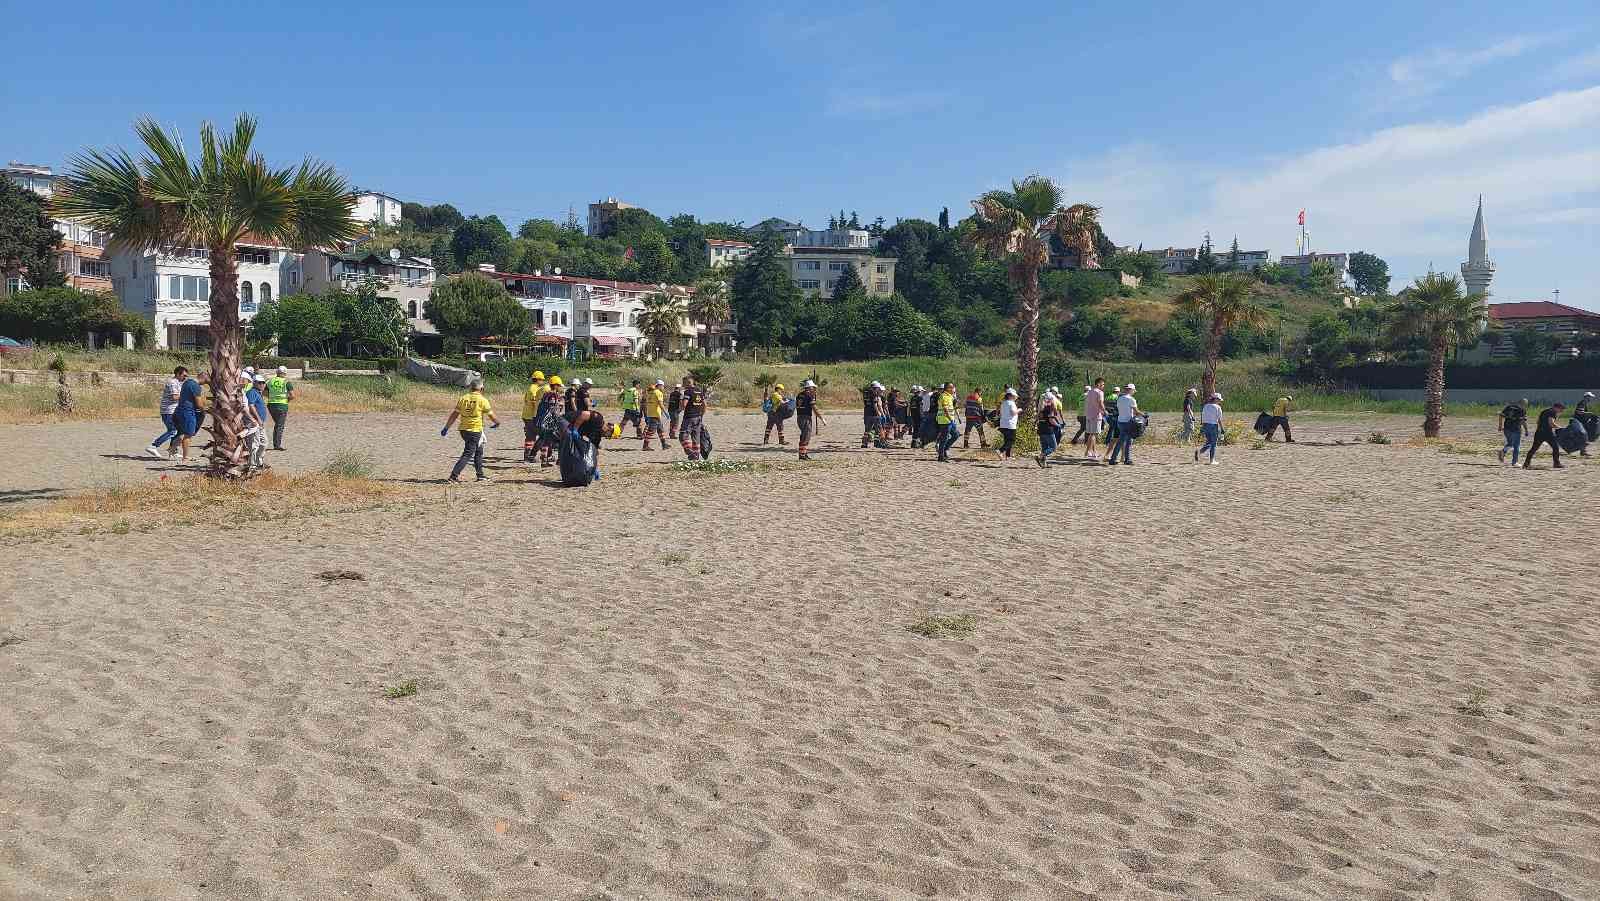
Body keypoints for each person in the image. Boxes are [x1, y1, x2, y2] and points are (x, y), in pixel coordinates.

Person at [441, 377, 499, 482]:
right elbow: (491, 415)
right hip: (475, 430)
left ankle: (480, 475)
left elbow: (454, 414)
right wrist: (497, 422)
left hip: (464, 430)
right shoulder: (483, 400)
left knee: (479, 451)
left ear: (471, 388)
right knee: (468, 453)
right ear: (481, 389)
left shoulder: (463, 398)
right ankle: (453, 476)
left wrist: (446, 427)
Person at [145, 366, 188, 458]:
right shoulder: (172, 383)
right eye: (184, 375)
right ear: (178, 374)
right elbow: (175, 397)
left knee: (179, 431)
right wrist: (187, 395)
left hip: (174, 411)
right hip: (168, 411)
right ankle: (153, 446)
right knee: (173, 430)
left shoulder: (178, 383)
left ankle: (173, 451)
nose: (185, 377)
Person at [171, 367, 205, 463]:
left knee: (182, 432)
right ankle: (185, 457)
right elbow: (199, 403)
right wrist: (204, 409)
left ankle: (172, 448)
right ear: (204, 376)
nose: (207, 383)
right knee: (188, 435)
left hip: (180, 411)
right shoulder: (195, 386)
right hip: (188, 412)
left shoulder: (187, 382)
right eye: (207, 380)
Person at [1522, 402, 1566, 470]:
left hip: (1539, 432)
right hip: (1547, 433)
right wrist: (1561, 428)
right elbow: (1551, 423)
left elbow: (1538, 421)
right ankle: (1556, 463)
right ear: (1557, 407)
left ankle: (1526, 464)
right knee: (1555, 447)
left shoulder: (1545, 411)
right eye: (1561, 409)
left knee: (1534, 449)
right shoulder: (1552, 412)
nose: (1561, 411)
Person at [1108, 383, 1140, 465]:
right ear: (1131, 390)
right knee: (1123, 442)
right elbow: (1136, 411)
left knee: (1126, 441)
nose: (1133, 392)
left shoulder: (1119, 398)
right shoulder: (1131, 399)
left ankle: (1125, 459)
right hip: (1128, 422)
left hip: (1120, 421)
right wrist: (1144, 415)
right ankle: (1115, 459)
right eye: (1133, 391)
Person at [678, 375, 708, 461]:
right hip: (698, 417)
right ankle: (696, 458)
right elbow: (705, 405)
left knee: (682, 436)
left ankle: (691, 453)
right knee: (696, 438)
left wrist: (679, 409)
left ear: (688, 382)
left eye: (684, 382)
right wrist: (701, 415)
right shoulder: (699, 391)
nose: (683, 384)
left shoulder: (688, 392)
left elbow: (684, 405)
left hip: (689, 417)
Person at [264, 366, 294, 451]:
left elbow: (264, 392)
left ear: (277, 372)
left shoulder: (270, 381)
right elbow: (292, 395)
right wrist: (286, 400)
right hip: (282, 405)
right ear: (285, 373)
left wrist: (272, 397)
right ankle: (277, 445)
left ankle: (276, 443)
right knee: (279, 425)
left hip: (271, 405)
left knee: (277, 424)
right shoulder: (286, 382)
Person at [521, 370, 548, 462]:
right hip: (531, 416)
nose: (543, 382)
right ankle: (541, 455)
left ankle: (528, 455)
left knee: (530, 436)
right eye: (542, 380)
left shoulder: (531, 388)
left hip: (527, 415)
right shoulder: (534, 389)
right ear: (538, 379)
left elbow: (525, 400)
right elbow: (534, 403)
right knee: (539, 435)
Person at [246, 374, 270, 471]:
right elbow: (251, 406)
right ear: (254, 383)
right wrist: (258, 419)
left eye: (263, 383)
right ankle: (253, 465)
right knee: (254, 443)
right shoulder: (252, 392)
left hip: (260, 423)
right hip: (254, 422)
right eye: (260, 383)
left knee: (264, 442)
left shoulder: (258, 392)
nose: (262, 384)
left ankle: (259, 461)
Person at [795, 379, 823, 461]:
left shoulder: (799, 395)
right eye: (813, 388)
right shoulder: (809, 396)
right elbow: (814, 408)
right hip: (806, 417)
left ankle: (803, 453)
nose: (814, 389)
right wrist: (821, 418)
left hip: (799, 417)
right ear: (809, 387)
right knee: (806, 435)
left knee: (803, 435)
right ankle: (802, 455)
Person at [1498, 398, 1529, 465]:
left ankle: (1503, 452)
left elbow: (1501, 415)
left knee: (1510, 443)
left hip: (1507, 429)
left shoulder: (1509, 407)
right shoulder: (1522, 410)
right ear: (1524, 404)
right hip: (1516, 429)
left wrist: (1500, 426)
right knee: (1516, 446)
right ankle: (1514, 462)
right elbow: (1523, 421)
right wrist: (1526, 430)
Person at [1195, 392, 1224, 465]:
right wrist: (1222, 429)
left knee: (1209, 442)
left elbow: (1203, 417)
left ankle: (1199, 452)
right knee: (1213, 444)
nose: (1220, 401)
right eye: (1219, 400)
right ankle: (1212, 460)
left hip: (1205, 426)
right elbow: (1219, 420)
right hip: (1213, 426)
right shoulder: (1218, 407)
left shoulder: (1206, 406)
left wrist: (1202, 428)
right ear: (1216, 399)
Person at [1081, 378, 1106, 462]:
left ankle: (1093, 452)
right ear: (1098, 384)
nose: (1103, 386)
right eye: (1102, 384)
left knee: (1091, 434)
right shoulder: (1100, 392)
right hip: (1096, 415)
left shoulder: (1089, 392)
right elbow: (1100, 403)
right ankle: (1087, 452)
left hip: (1088, 415)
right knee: (1093, 434)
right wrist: (1105, 411)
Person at [934, 382, 960, 462]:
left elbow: (953, 406)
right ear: (947, 388)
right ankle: (941, 456)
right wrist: (950, 419)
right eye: (952, 388)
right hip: (945, 420)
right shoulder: (944, 396)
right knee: (944, 438)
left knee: (956, 435)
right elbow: (945, 409)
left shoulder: (950, 396)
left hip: (949, 420)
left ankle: (944, 449)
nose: (953, 389)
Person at [1035, 389, 1060, 467]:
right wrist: (1058, 425)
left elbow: (1038, 418)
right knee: (1053, 447)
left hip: (1041, 428)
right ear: (1051, 399)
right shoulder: (1050, 407)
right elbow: (1051, 419)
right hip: (1048, 429)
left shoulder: (1041, 408)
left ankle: (1044, 463)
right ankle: (1040, 456)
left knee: (1044, 446)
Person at [642, 378, 668, 450]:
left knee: (660, 429)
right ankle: (645, 446)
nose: (663, 387)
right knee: (651, 430)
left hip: (650, 413)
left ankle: (664, 444)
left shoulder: (650, 392)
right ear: (659, 385)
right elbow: (660, 404)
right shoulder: (658, 393)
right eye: (662, 386)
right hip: (655, 414)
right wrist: (665, 412)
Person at [861, 382, 887, 448]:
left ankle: (864, 444)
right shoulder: (874, 395)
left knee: (867, 430)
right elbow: (875, 405)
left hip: (867, 414)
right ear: (876, 388)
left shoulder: (866, 394)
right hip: (874, 415)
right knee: (878, 429)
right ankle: (879, 443)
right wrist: (880, 414)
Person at [996, 387, 1020, 458]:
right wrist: (1019, 410)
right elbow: (1013, 412)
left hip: (1003, 424)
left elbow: (1000, 413)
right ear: (1010, 396)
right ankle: (1000, 450)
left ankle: (1008, 455)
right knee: (1011, 440)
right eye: (1013, 396)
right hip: (1010, 424)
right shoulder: (1011, 403)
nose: (1014, 397)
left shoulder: (1003, 403)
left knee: (1007, 440)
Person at [1574, 392, 1595, 457]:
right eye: (1590, 397)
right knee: (1584, 437)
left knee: (1583, 437)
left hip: (1580, 423)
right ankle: (1583, 451)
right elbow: (1579, 412)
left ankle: (1583, 451)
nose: (1591, 399)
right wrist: (1589, 413)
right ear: (1586, 397)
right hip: (1579, 423)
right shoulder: (1582, 403)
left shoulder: (1584, 403)